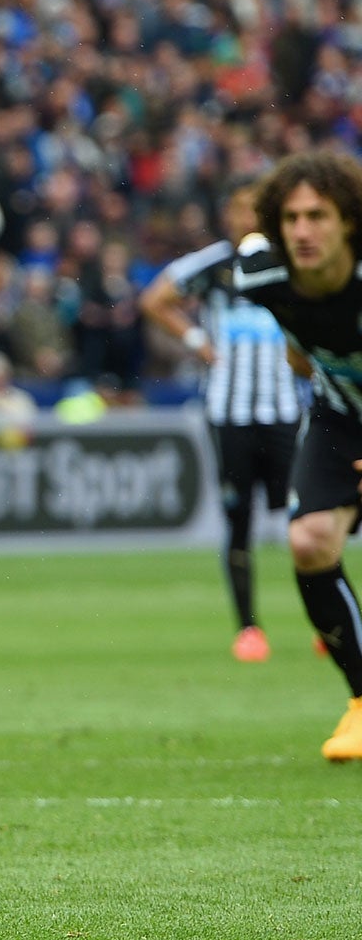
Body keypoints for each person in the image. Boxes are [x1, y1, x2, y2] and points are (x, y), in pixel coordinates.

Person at [214, 152, 362, 760]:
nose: (302, 231)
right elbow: (299, 343)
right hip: (340, 418)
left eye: (318, 216)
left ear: (349, 223)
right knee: (308, 541)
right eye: (292, 217)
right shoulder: (259, 273)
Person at [140, 181, 303, 662]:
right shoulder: (213, 266)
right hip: (228, 412)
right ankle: (249, 628)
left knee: (307, 519)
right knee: (239, 519)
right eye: (235, 209)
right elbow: (154, 299)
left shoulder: (290, 261)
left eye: (252, 209)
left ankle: (324, 620)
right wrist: (196, 342)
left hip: (283, 409)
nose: (243, 218)